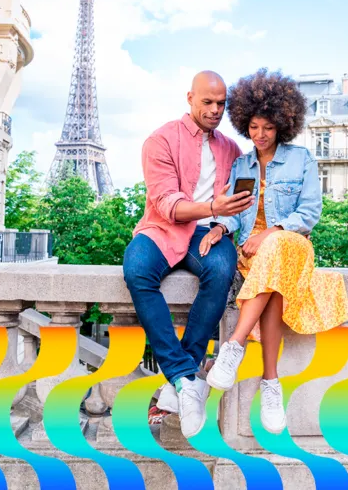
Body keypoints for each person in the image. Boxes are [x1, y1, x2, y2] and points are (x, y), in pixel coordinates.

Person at [200, 69, 348, 433]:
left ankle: (234, 345)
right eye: (253, 127)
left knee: (278, 250)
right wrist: (220, 227)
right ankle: (271, 383)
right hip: (253, 253)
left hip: (292, 243)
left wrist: (270, 232)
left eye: (267, 127)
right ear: (245, 125)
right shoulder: (241, 165)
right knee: (272, 283)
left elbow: (309, 213)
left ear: (282, 124)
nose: (260, 134)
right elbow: (236, 215)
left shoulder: (302, 160)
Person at [123, 71, 254, 438]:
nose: (215, 110)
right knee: (136, 270)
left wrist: (221, 224)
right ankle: (185, 378)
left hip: (207, 232)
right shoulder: (160, 140)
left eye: (221, 104)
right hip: (162, 227)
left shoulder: (232, 150)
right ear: (190, 98)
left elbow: (240, 206)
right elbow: (165, 203)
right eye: (207, 102)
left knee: (222, 270)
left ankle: (179, 381)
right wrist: (213, 205)